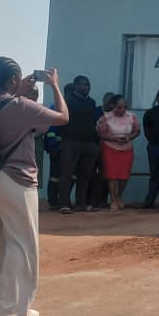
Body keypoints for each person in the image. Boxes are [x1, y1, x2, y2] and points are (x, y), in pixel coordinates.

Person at [0, 57, 68, 316]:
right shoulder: (21, 106)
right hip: (16, 178)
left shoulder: (12, 103)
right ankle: (9, 309)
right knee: (21, 243)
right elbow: (62, 117)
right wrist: (55, 87)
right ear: (14, 80)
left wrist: (15, 93)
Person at [58, 75, 100, 214]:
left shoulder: (92, 102)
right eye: (83, 84)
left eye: (88, 84)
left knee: (86, 174)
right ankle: (64, 203)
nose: (86, 87)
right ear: (75, 86)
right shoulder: (67, 101)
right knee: (67, 174)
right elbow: (61, 122)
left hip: (89, 143)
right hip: (71, 142)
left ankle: (81, 203)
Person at [96, 95, 140, 211]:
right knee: (112, 175)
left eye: (124, 107)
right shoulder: (105, 118)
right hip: (110, 148)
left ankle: (119, 194)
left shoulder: (132, 117)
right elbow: (100, 134)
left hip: (126, 149)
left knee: (124, 176)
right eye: (119, 107)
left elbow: (137, 131)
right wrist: (113, 139)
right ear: (113, 106)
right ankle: (113, 199)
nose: (122, 110)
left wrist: (129, 137)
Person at [44, 83, 72, 210]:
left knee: (69, 175)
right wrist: (53, 146)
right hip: (56, 147)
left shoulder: (73, 107)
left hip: (69, 147)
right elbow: (50, 128)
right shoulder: (56, 107)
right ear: (66, 94)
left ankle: (64, 200)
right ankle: (53, 201)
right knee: (55, 176)